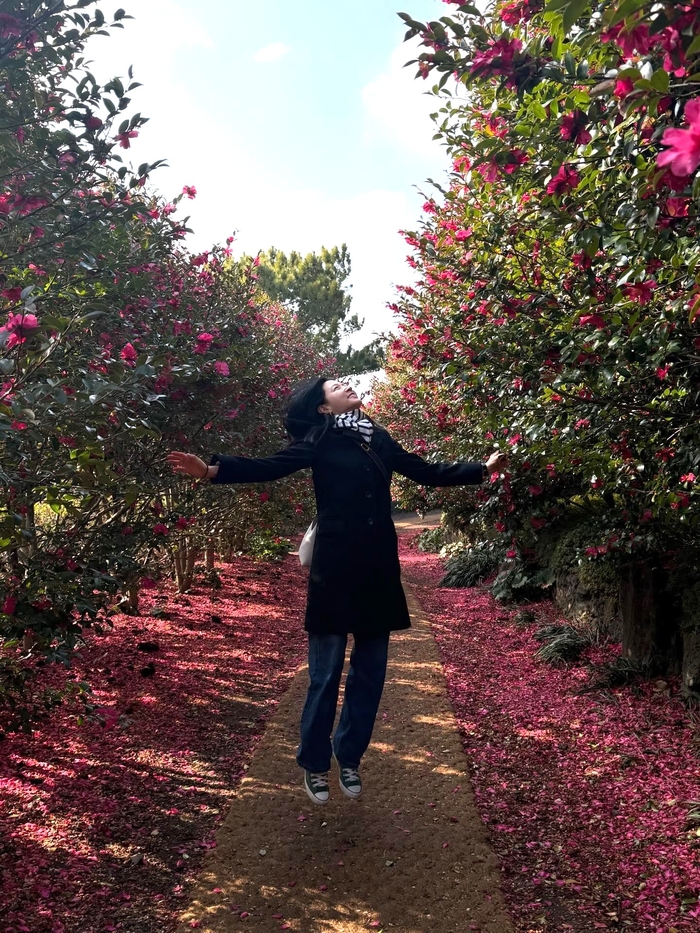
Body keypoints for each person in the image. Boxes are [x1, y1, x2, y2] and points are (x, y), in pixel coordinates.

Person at [167, 377, 508, 805]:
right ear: (323, 407)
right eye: (335, 385)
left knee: (371, 673)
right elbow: (271, 465)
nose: (346, 385)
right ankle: (314, 762)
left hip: (378, 567)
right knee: (325, 674)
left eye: (344, 382)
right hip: (334, 568)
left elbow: (424, 471)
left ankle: (349, 756)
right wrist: (210, 471)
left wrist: (482, 469)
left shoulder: (379, 438)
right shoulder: (319, 438)